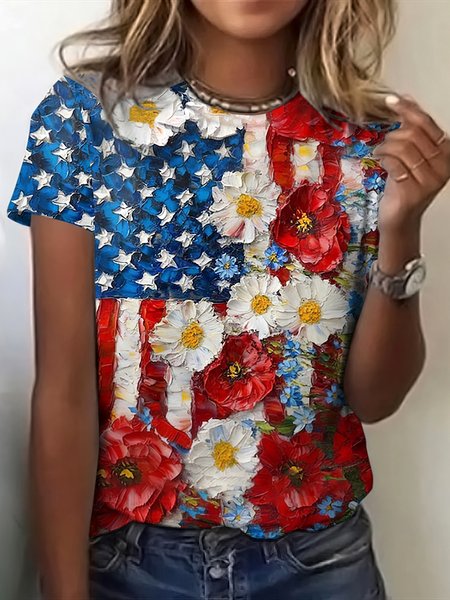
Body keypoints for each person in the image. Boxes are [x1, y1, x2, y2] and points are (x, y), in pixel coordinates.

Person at [6, 0, 450, 598]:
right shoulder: (87, 119)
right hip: (130, 564)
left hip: (319, 565)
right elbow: (63, 393)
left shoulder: (373, 142)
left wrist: (402, 225)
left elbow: (375, 399)